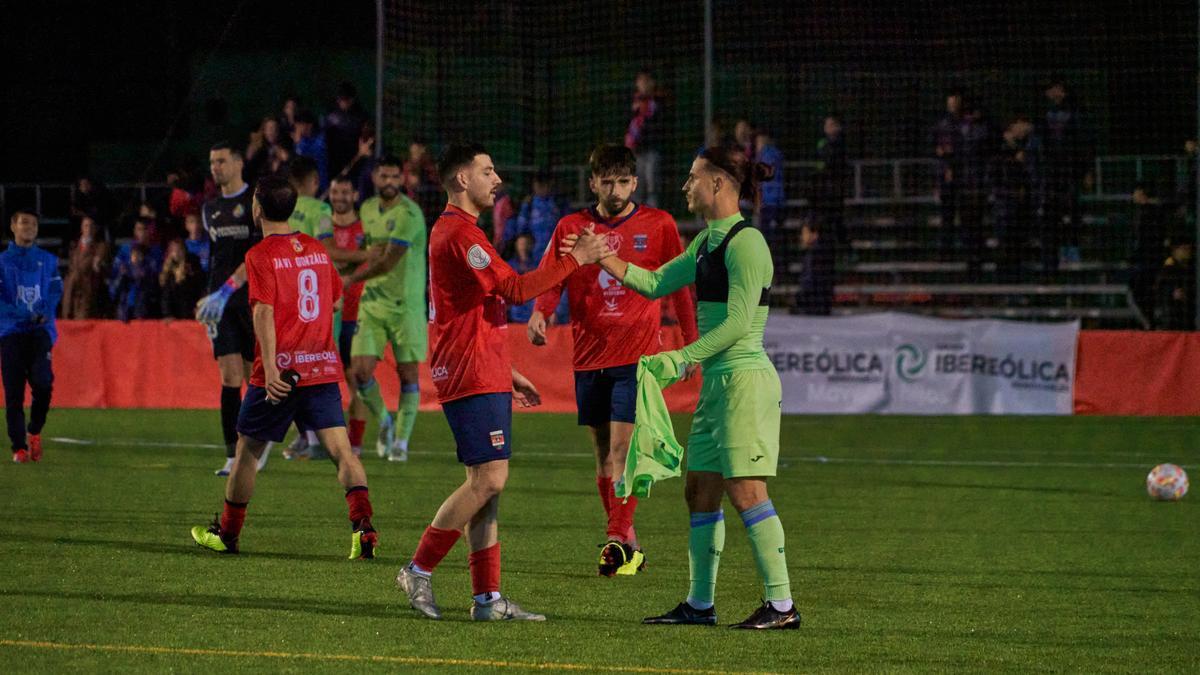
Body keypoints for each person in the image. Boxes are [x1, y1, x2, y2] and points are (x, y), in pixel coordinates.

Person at [394, 142, 609, 622]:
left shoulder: (465, 233)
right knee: (489, 478)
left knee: (487, 487)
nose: (497, 179)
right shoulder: (458, 233)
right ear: (461, 180)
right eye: (487, 171)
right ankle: (418, 568)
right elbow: (511, 290)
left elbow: (473, 311)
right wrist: (578, 260)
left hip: (480, 368)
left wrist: (504, 370)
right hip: (468, 371)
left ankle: (487, 599)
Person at [596, 146, 799, 629]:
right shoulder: (708, 241)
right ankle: (700, 605)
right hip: (719, 386)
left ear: (718, 184)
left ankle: (782, 606)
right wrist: (601, 257)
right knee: (699, 491)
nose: (686, 186)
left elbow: (737, 323)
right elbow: (654, 282)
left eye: (693, 178)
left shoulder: (747, 243)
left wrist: (681, 357)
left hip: (744, 381)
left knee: (746, 491)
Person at [526, 143, 698, 576]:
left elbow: (678, 286)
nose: (616, 189)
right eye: (607, 181)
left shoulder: (659, 225)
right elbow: (553, 276)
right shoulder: (571, 226)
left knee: (623, 450)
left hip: (636, 356)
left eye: (623, 181)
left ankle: (615, 539)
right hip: (588, 355)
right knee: (603, 454)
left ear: (635, 183)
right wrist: (540, 313)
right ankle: (629, 542)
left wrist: (690, 341)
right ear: (593, 183)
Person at [190, 175, 378, 559]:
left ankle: (227, 534)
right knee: (343, 452)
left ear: (257, 208)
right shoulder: (316, 248)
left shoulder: (259, 255)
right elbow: (336, 300)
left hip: (279, 375)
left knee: (247, 453)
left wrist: (274, 369)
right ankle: (363, 528)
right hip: (321, 368)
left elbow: (262, 312)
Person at [343, 156, 426, 462]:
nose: (389, 182)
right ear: (375, 179)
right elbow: (368, 251)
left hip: (406, 306)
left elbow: (388, 261)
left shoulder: (410, 214)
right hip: (373, 303)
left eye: (394, 176)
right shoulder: (366, 209)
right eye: (384, 176)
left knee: (408, 375)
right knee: (360, 370)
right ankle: (385, 421)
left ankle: (401, 443)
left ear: (401, 179)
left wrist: (350, 278)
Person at [196, 142, 269, 476]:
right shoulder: (209, 208)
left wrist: (225, 291)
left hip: (251, 300)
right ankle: (232, 454)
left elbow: (254, 257)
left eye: (222, 160)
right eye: (212, 162)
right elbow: (217, 257)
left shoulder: (253, 203)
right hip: (221, 305)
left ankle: (261, 440)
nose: (215, 167)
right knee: (229, 376)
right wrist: (211, 296)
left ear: (238, 163)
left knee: (261, 377)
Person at [0, 211, 62, 464]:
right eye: (24, 222)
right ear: (13, 226)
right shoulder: (2, 261)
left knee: (44, 383)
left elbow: (55, 290)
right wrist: (25, 313)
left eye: (34, 224)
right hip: (11, 332)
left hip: (39, 333)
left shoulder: (47, 260)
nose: (29, 227)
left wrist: (44, 312)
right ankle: (19, 447)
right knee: (13, 393)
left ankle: (34, 429)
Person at [323, 176, 370, 456]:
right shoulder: (323, 223)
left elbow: (375, 258)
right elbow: (328, 254)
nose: (339, 196)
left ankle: (357, 440)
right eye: (334, 191)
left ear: (354, 195)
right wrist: (358, 256)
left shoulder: (365, 226)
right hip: (329, 311)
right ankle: (315, 438)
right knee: (325, 379)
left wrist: (339, 258)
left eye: (344, 191)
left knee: (354, 377)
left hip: (357, 311)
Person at [624, 69, 664, 207]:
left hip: (651, 149)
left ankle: (653, 220)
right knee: (637, 187)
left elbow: (656, 124)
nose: (642, 84)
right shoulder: (633, 101)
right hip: (636, 151)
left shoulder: (656, 101)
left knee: (652, 187)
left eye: (646, 81)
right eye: (640, 81)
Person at [62, 217, 109, 319]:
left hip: (87, 289)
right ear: (82, 228)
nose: (89, 229)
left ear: (95, 229)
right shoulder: (74, 246)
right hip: (72, 289)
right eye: (86, 226)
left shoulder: (99, 246)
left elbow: (100, 262)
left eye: (91, 226)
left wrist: (97, 263)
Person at [795, 220, 834, 315]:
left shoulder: (815, 254)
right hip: (818, 304)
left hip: (815, 306)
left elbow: (810, 282)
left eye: (805, 233)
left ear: (814, 234)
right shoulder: (814, 252)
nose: (802, 237)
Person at [160, 239, 205, 319]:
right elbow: (166, 295)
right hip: (175, 314)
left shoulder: (192, 266)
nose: (176, 253)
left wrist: (199, 307)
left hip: (192, 312)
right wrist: (167, 314)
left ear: (184, 250)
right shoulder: (168, 270)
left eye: (179, 250)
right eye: (173, 250)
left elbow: (200, 288)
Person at [505, 233, 537, 323]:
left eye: (525, 243)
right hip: (515, 307)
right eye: (520, 244)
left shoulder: (537, 264)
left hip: (530, 305)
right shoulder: (510, 265)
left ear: (530, 245)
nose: (523, 247)